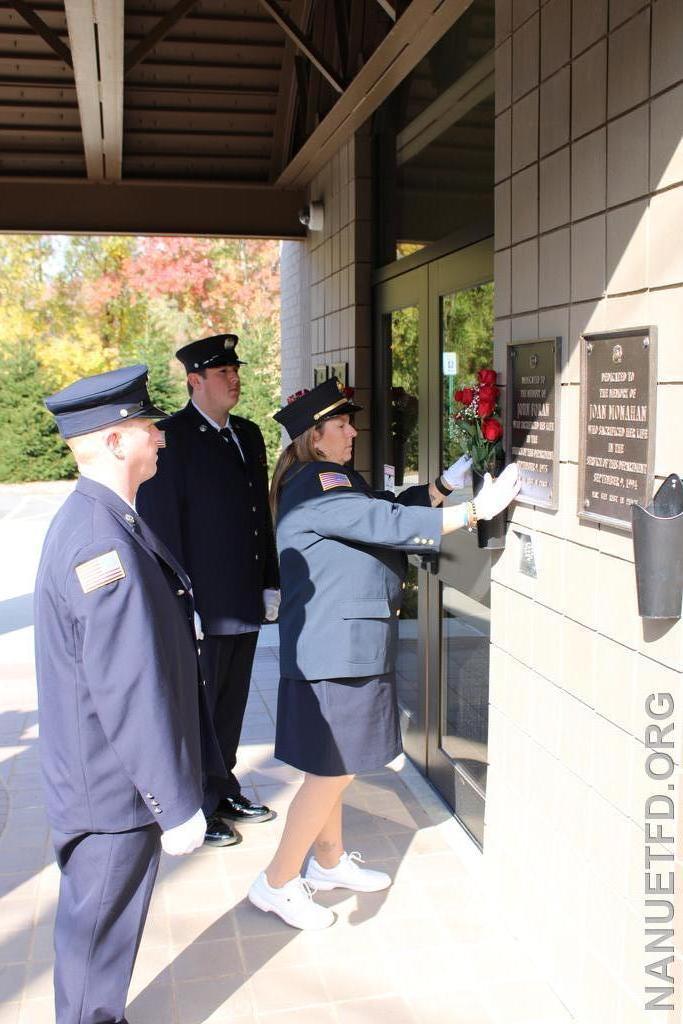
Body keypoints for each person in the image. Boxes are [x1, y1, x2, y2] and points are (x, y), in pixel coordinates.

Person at [247, 377, 520, 929]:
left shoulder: (333, 480)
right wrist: (472, 512)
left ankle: (326, 863)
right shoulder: (315, 482)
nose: (352, 431)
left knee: (333, 766)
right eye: (341, 424)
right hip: (335, 650)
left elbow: (384, 509)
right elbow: (380, 522)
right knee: (332, 771)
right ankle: (275, 882)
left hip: (341, 645)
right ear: (314, 437)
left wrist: (441, 488)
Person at [35, 365, 209, 1024]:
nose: (159, 434)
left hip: (108, 782)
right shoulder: (97, 540)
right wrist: (175, 804)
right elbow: (127, 686)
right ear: (114, 442)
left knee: (98, 961)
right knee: (93, 965)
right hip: (112, 795)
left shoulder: (106, 518)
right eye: (146, 425)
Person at [138, 333, 279, 846]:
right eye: (223, 373)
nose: (234, 379)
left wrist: (270, 581)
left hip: (243, 596)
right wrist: (183, 603)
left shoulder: (247, 433)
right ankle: (196, 802)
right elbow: (162, 529)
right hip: (203, 602)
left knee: (232, 701)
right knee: (197, 706)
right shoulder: (171, 437)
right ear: (195, 382)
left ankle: (223, 787)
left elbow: (259, 515)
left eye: (235, 370)